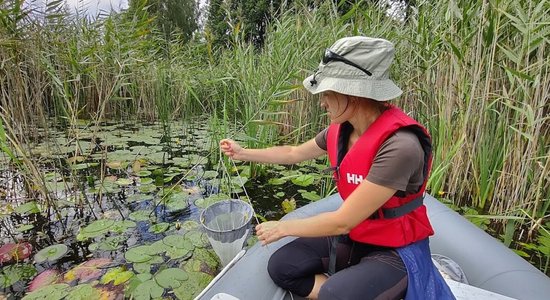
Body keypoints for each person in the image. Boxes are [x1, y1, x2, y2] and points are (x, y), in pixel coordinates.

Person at [219, 36, 455, 300]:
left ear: (352, 93)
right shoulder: (342, 130)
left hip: (397, 249)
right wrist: (243, 153)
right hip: (359, 236)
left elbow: (343, 221)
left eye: (328, 94)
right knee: (282, 266)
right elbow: (293, 153)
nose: (322, 103)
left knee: (335, 293)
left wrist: (283, 228)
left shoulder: (401, 146)